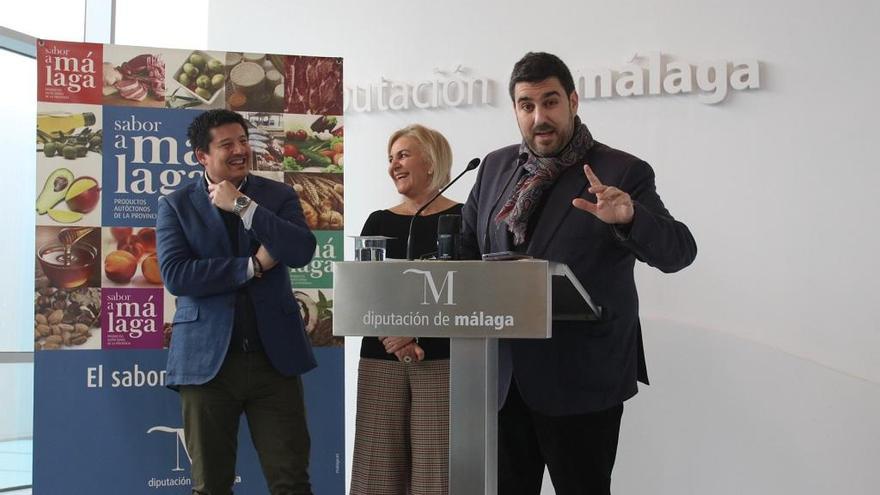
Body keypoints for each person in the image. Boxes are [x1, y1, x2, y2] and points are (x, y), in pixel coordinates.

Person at [460, 52, 698, 494]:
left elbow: (679, 251)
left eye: (550, 102)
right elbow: (467, 249)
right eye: (526, 105)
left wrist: (629, 218)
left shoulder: (620, 171)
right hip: (503, 380)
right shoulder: (494, 168)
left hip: (582, 378)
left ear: (573, 101)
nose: (539, 117)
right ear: (515, 110)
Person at [156, 109, 317, 495]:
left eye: (243, 141)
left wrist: (244, 206)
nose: (239, 150)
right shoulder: (177, 205)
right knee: (211, 485)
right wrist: (251, 266)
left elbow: (301, 250)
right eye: (226, 144)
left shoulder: (276, 196)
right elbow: (178, 275)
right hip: (206, 366)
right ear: (202, 156)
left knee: (291, 482)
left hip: (274, 361)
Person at [350, 124, 460, 495]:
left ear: (431, 162)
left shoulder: (464, 221)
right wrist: (396, 338)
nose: (394, 165)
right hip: (382, 358)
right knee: (376, 472)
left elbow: (470, 296)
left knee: (437, 474)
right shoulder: (378, 222)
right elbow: (363, 293)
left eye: (403, 155)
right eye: (390, 158)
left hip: (441, 359)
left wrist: (418, 333)